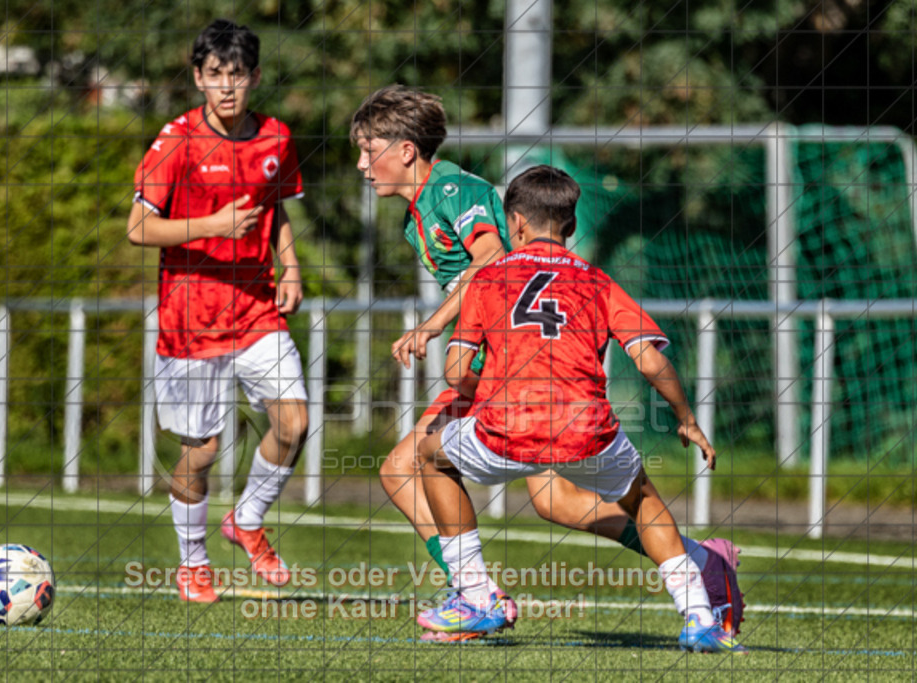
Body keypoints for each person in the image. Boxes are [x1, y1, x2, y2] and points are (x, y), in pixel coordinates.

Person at [350, 86, 743, 639]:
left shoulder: (451, 189)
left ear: (407, 149)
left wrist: (434, 326)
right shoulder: (421, 212)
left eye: (370, 150)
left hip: (504, 362)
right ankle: (701, 563)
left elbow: (489, 260)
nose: (363, 165)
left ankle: (475, 595)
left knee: (405, 466)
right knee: (556, 501)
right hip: (535, 368)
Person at [413, 165, 746, 652]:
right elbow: (651, 360)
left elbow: (455, 370)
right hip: (588, 431)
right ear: (570, 226)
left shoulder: (488, 281)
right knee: (645, 503)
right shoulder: (597, 281)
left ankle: (477, 594)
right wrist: (686, 419)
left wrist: (490, 396)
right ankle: (700, 619)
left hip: (505, 429)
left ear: (516, 224)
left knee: (430, 457)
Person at [127, 19, 307, 603]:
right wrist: (212, 225)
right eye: (214, 77)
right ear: (197, 78)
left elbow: (274, 208)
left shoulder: (276, 138)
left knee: (293, 422)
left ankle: (247, 520)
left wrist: (292, 266)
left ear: (254, 77)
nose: (226, 89)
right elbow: (138, 228)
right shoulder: (176, 141)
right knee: (200, 452)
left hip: (256, 310)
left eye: (236, 77)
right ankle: (193, 562)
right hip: (191, 320)